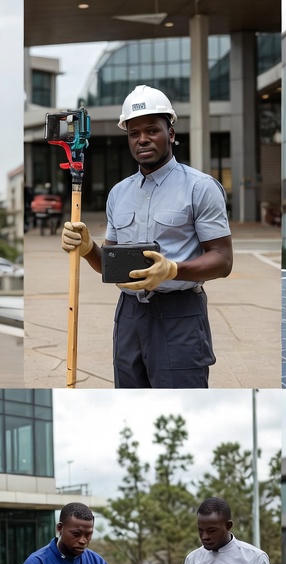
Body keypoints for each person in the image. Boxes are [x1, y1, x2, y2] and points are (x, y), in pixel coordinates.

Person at [60, 85, 233, 388]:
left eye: (152, 130)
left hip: (180, 314)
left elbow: (223, 260)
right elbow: (109, 266)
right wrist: (88, 249)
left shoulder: (201, 188)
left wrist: (174, 269)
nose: (142, 139)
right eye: (133, 133)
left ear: (171, 133)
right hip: (129, 317)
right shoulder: (118, 194)